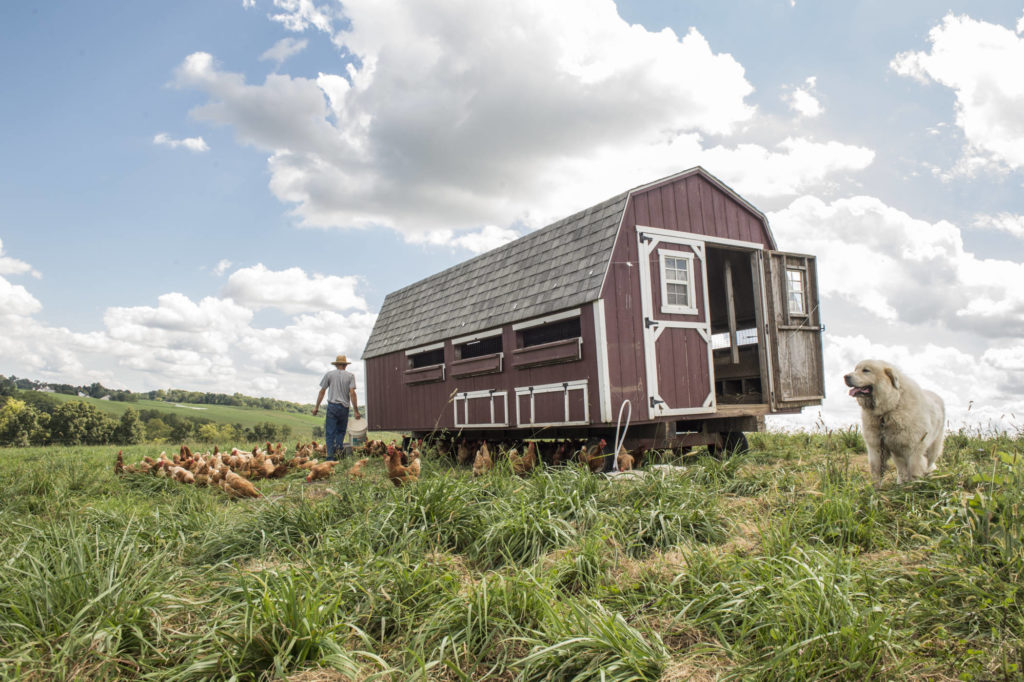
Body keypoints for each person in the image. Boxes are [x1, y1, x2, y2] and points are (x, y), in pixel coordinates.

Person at [312, 354, 361, 460]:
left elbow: (322, 391)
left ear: (336, 365)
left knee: (330, 432)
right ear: (345, 365)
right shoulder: (350, 376)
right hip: (344, 407)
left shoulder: (329, 375)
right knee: (341, 431)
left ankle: (330, 456)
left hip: (332, 406)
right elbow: (352, 394)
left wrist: (316, 407)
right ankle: (338, 452)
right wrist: (356, 411)